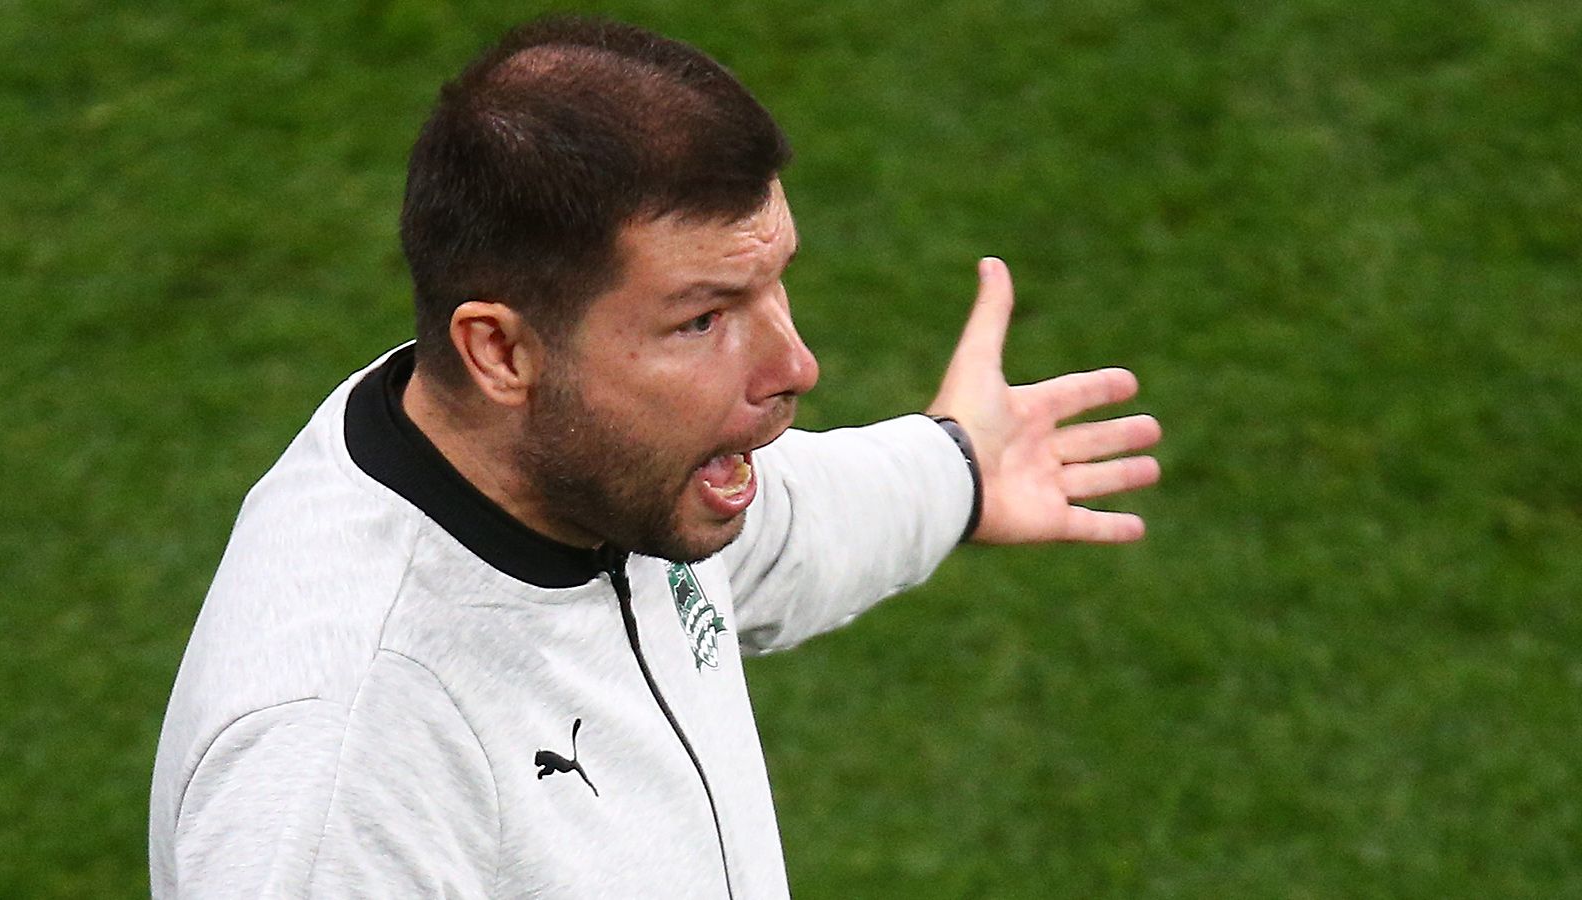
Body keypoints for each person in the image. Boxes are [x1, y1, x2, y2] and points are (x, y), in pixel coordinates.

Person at [149, 15, 1161, 899]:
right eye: (702, 318)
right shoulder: (346, 767)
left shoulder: (594, 473)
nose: (795, 365)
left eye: (775, 281)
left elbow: (784, 529)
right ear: (499, 351)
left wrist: (959, 469)